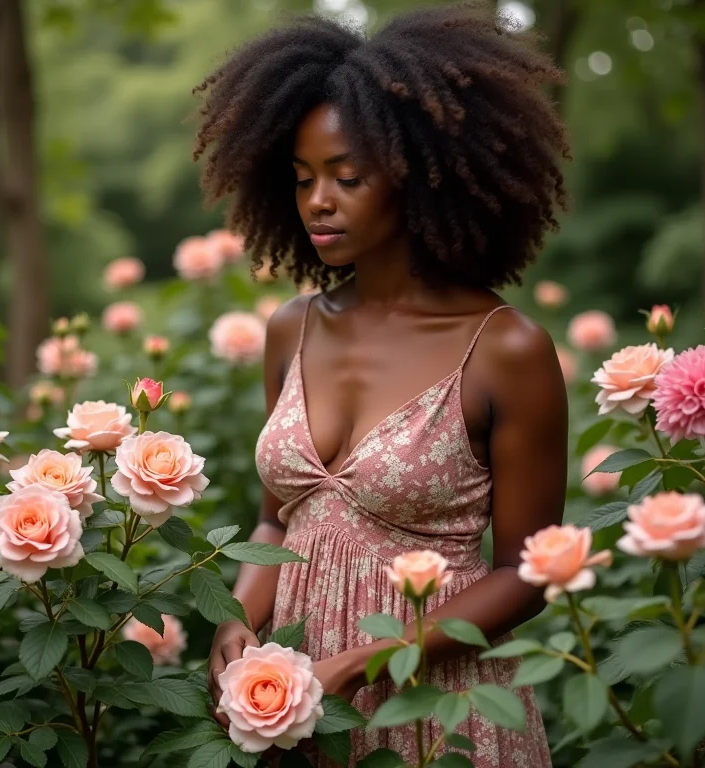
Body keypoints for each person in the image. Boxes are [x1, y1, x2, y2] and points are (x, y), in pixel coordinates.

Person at [196, 4, 568, 765]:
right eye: (302, 180)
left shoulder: (504, 350)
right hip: (298, 706)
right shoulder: (291, 329)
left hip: (440, 703)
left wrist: (368, 662)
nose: (317, 203)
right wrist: (237, 619)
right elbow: (279, 521)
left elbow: (525, 572)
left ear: (419, 175)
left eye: (347, 177)